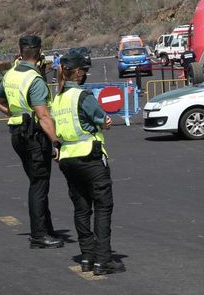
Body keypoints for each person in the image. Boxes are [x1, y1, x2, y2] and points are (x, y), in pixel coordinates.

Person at [52, 50, 125, 275]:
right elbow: (101, 119)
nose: (85, 74)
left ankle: (87, 257)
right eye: (84, 70)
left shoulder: (58, 97)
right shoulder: (82, 96)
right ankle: (103, 260)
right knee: (103, 206)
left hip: (67, 159)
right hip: (90, 158)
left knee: (81, 208)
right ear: (78, 72)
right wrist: (106, 122)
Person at [0, 35, 64, 249]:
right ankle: (39, 235)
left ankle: (46, 227)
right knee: (39, 184)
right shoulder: (34, 80)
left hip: (17, 133)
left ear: (21, 51)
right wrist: (56, 142)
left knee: (36, 181)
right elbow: (43, 116)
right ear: (40, 52)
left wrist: (14, 114)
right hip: (33, 136)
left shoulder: (10, 74)